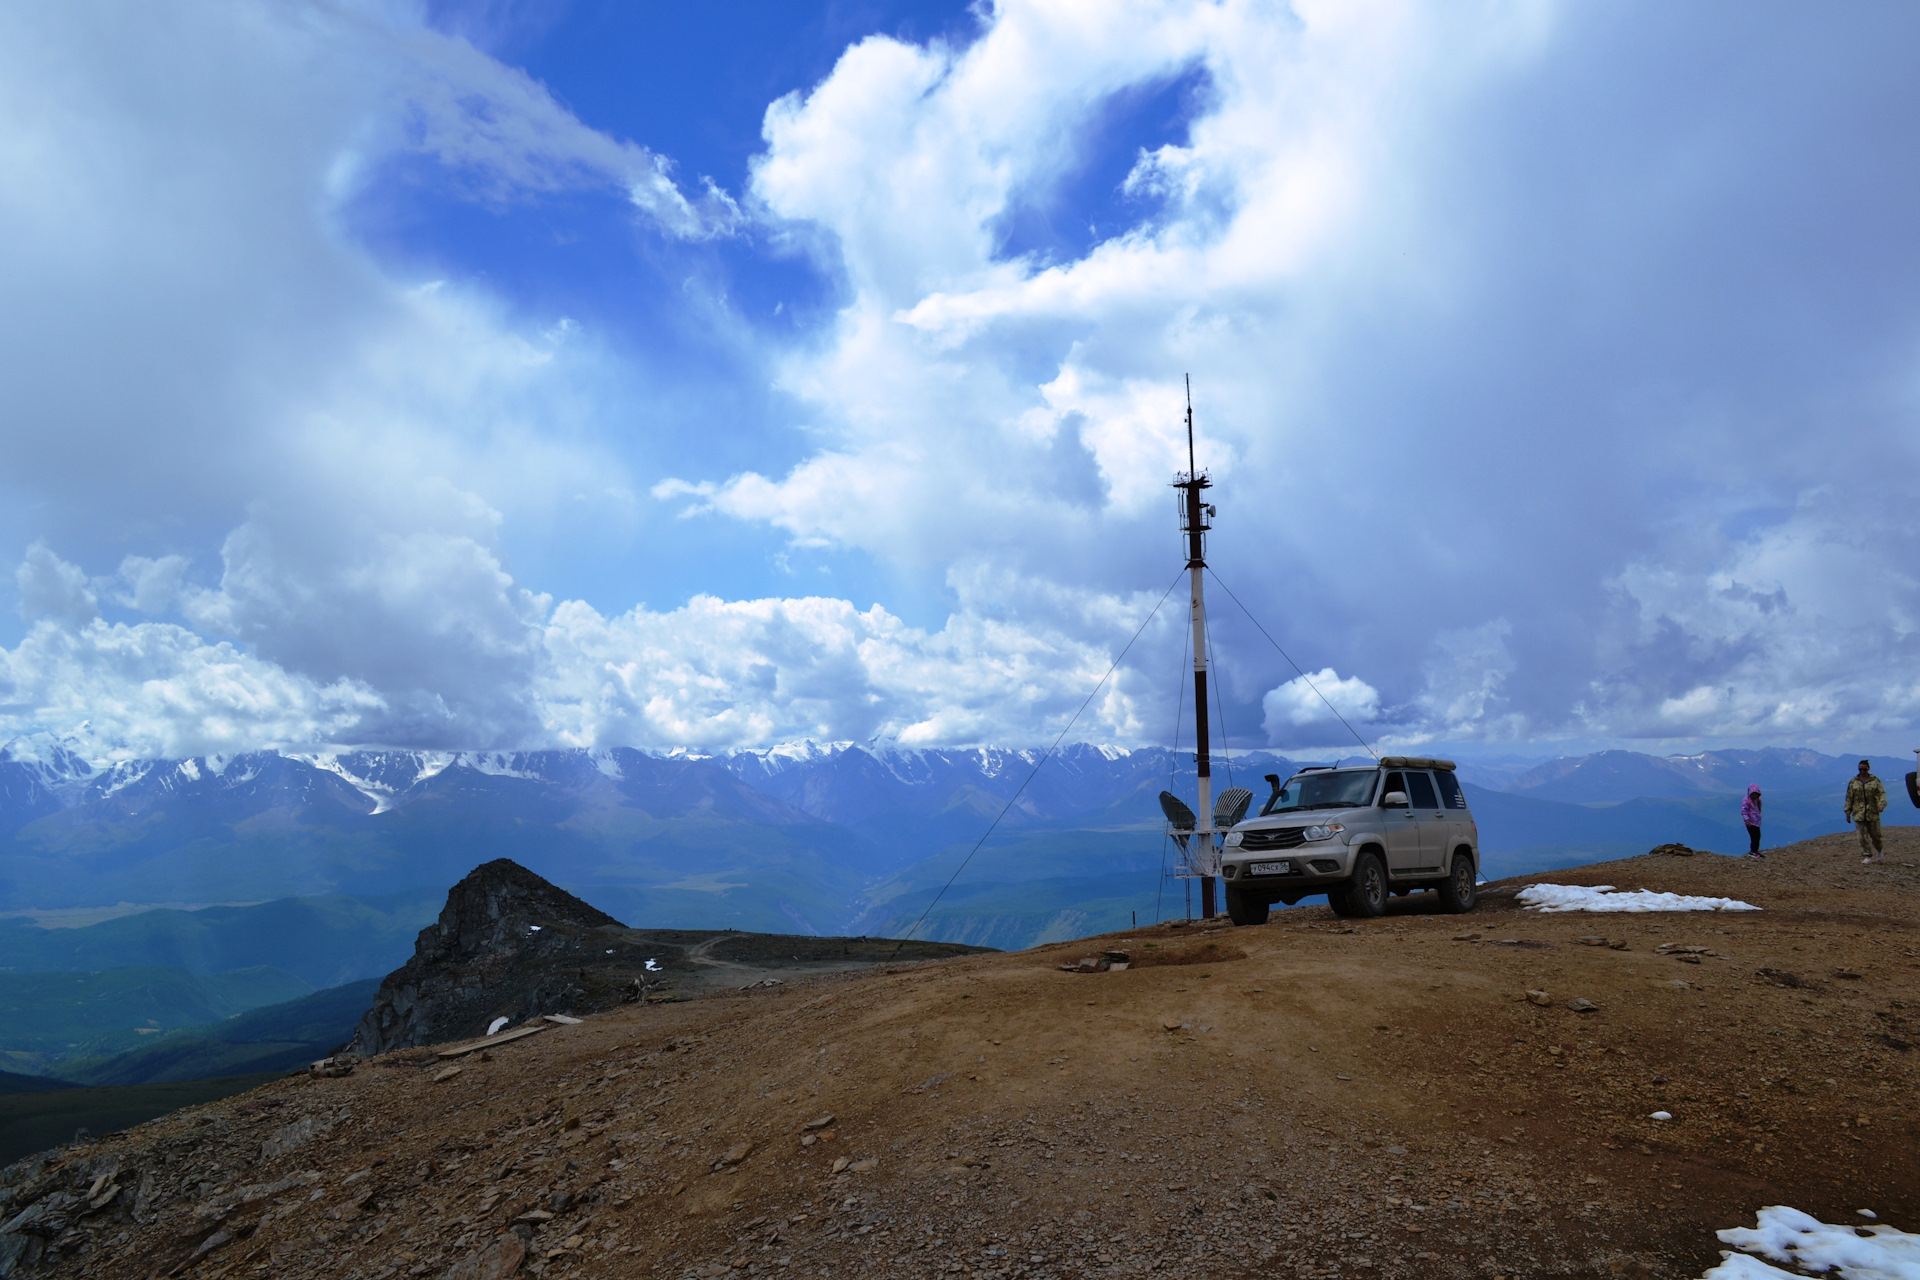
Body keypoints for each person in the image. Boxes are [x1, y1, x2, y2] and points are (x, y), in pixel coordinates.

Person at [1844, 759, 1887, 864]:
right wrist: (1847, 812)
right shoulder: (1853, 782)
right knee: (1862, 836)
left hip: (1872, 812)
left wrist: (1881, 805)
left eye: (1864, 769)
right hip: (1858, 813)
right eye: (1860, 769)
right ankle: (1867, 856)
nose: (1862, 771)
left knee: (1876, 835)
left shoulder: (1875, 780)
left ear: (1868, 769)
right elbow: (1849, 797)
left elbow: (1881, 794)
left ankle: (1879, 851)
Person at [1741, 784, 1764, 857]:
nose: (1754, 796)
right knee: (1754, 837)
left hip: (1756, 822)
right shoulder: (1746, 800)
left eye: (1756, 794)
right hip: (1750, 823)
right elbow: (1744, 811)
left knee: (1757, 836)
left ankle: (1755, 851)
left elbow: (1759, 805)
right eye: (1753, 794)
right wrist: (1747, 820)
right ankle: (1753, 851)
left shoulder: (1757, 800)